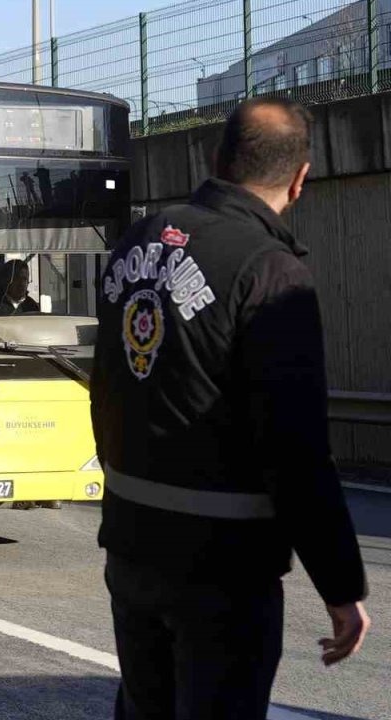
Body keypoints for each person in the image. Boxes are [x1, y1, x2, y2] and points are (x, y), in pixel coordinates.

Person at [91, 97, 370, 719]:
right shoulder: (268, 271)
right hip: (222, 567)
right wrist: (341, 587)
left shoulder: (138, 240)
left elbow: (104, 385)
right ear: (300, 179)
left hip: (133, 543)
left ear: (215, 159)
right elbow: (295, 447)